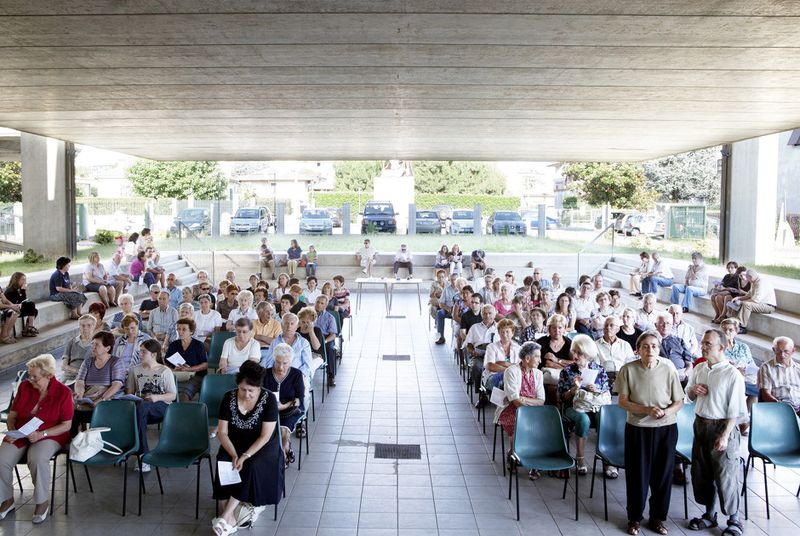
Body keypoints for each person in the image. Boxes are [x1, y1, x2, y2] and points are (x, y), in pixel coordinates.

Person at [616, 331, 684, 536]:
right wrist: (646, 410)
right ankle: (634, 518)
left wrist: (665, 413)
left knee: (663, 475)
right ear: (638, 350)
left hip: (666, 428)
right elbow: (623, 401)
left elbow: (678, 401)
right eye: (645, 346)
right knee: (637, 475)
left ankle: (658, 518)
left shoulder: (668, 369)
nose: (650, 350)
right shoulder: (628, 370)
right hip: (638, 429)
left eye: (654, 346)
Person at [685, 329, 746, 536]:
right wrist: (693, 390)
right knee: (702, 472)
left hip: (722, 426)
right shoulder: (700, 368)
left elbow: (736, 410)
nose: (703, 347)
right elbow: (688, 394)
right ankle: (709, 515)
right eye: (702, 343)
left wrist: (725, 435)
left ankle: (734, 519)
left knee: (725, 474)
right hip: (701, 424)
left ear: (721, 347)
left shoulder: (732, 374)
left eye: (708, 344)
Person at [0, 354, 73, 524]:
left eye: (35, 377)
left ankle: (41, 502)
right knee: (1, 459)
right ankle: (7, 500)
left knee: (37, 458)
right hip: (21, 433)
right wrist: (12, 432)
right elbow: (12, 416)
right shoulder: (25, 387)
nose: (30, 380)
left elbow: (66, 425)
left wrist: (42, 434)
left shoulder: (63, 392)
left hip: (50, 434)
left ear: (48, 375)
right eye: (29, 375)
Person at [212, 361, 283, 536]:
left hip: (262, 446)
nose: (246, 394)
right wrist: (233, 454)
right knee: (223, 460)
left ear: (259, 388)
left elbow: (265, 436)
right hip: (234, 443)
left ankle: (226, 515)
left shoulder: (269, 399)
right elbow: (222, 432)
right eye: (243, 389)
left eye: (251, 390)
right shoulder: (228, 397)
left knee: (251, 465)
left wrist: (244, 456)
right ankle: (229, 519)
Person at [494, 342, 545, 479]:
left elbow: (541, 400)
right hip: (512, 409)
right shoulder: (511, 371)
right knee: (517, 423)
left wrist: (524, 399)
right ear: (527, 358)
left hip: (533, 410)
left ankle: (534, 461)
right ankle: (514, 453)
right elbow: (515, 401)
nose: (540, 360)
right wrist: (526, 400)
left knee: (542, 427)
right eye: (537, 357)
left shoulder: (538, 374)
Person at [127, 339, 176, 468]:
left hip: (162, 406)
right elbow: (130, 392)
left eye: (143, 352)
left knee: (141, 409)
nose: (140, 354)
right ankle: (143, 455)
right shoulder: (134, 370)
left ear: (153, 354)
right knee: (140, 409)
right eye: (140, 351)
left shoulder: (165, 371)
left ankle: (140, 453)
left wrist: (156, 397)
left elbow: (173, 395)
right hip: (141, 407)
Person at [73, 331, 126, 429]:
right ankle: (74, 436)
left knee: (93, 412)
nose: (93, 347)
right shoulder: (88, 362)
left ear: (107, 348)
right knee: (71, 411)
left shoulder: (116, 362)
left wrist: (102, 399)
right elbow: (80, 381)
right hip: (88, 398)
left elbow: (117, 384)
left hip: (107, 400)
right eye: (92, 343)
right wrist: (79, 393)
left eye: (97, 345)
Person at [263, 343, 305, 465]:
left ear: (290, 362)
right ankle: (286, 448)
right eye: (278, 362)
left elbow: (299, 400)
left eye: (285, 363)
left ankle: (281, 459)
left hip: (290, 410)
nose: (280, 367)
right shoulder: (265, 374)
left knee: (282, 429)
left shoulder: (296, 374)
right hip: (269, 410)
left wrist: (284, 406)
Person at [719, 319, 759, 434]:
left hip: (745, 377)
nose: (727, 332)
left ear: (736, 332)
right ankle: (740, 422)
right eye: (724, 329)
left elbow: (751, 364)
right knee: (736, 388)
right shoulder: (718, 347)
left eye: (731, 330)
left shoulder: (743, 347)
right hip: (727, 379)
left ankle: (742, 419)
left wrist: (744, 368)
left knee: (756, 389)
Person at [260, 313, 312, 387]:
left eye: (292, 324)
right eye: (286, 323)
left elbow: (307, 366)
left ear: (296, 326)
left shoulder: (304, 343)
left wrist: (295, 376)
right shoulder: (275, 342)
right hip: (278, 375)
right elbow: (269, 363)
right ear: (281, 325)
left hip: (298, 376)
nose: (289, 326)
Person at [164, 318, 208, 402]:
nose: (180, 332)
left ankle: (182, 410)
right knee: (166, 393)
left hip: (194, 376)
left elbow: (205, 364)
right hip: (176, 375)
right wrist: (173, 370)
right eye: (178, 329)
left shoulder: (198, 345)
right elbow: (165, 363)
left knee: (182, 395)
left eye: (184, 329)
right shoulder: (173, 345)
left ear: (191, 331)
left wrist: (189, 369)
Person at [757, 336, 800, 414]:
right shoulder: (766, 367)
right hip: (778, 408)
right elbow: (766, 394)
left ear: (793, 351)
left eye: (786, 351)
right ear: (774, 350)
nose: (782, 355)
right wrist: (780, 405)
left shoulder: (798, 368)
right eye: (779, 351)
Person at [726, 269, 776, 334]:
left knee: (746, 305)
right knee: (735, 303)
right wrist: (739, 298)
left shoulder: (761, 282)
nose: (747, 280)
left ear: (751, 277)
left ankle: (742, 327)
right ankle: (732, 323)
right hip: (759, 304)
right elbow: (749, 295)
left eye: (747, 278)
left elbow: (756, 300)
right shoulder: (754, 281)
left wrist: (741, 302)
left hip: (768, 306)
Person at [465, 304, 498, 406]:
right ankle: (482, 395)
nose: (487, 316)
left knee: (501, 369)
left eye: (490, 313)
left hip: (495, 356)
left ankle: (496, 395)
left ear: (495, 314)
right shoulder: (475, 327)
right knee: (477, 367)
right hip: (479, 354)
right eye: (485, 313)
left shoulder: (499, 327)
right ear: (481, 314)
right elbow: (468, 345)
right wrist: (472, 352)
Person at [482, 318, 521, 391]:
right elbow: (490, 366)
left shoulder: (518, 348)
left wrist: (504, 363)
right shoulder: (491, 347)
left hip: (514, 377)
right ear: (498, 333)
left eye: (507, 332)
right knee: (504, 380)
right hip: (492, 376)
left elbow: (520, 367)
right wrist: (509, 370)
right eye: (502, 332)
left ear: (512, 333)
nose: (505, 335)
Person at [655, 313, 693, 384]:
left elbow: (689, 364)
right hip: (659, 376)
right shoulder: (650, 341)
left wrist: (685, 374)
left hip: (680, 376)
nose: (665, 326)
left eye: (668, 323)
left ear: (672, 325)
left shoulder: (679, 341)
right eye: (662, 323)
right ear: (655, 325)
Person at [596, 316, 635, 382]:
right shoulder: (595, 345)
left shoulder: (625, 345)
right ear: (603, 329)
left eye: (611, 325)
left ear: (618, 329)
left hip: (622, 377)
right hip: (603, 378)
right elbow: (595, 366)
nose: (608, 327)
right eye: (606, 325)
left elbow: (631, 365)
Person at [62, 314, 96, 382]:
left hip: (87, 376)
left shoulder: (97, 343)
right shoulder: (72, 342)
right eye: (82, 325)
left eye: (89, 325)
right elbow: (64, 366)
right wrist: (78, 371)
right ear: (79, 326)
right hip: (70, 376)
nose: (85, 328)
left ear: (94, 326)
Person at [313, 295, 338, 386]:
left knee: (330, 349)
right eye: (317, 302)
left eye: (322, 303)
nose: (319, 305)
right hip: (311, 336)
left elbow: (333, 334)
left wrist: (325, 341)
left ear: (325, 305)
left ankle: (331, 376)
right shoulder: (308, 314)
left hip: (325, 338)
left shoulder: (330, 317)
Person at [3, 273, 38, 338]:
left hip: (17, 308)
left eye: (25, 279)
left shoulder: (18, 289)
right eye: (22, 279)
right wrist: (23, 290)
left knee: (34, 310)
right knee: (31, 304)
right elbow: (19, 302)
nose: (24, 281)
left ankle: (27, 330)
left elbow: (23, 301)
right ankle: (30, 328)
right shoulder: (10, 290)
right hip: (11, 310)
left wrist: (22, 291)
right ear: (16, 280)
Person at [434, 273, 459, 345]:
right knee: (440, 313)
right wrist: (448, 308)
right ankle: (441, 337)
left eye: (455, 279)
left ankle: (458, 338)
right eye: (452, 280)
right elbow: (441, 303)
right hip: (448, 310)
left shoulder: (461, 288)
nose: (453, 281)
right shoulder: (446, 289)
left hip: (459, 312)